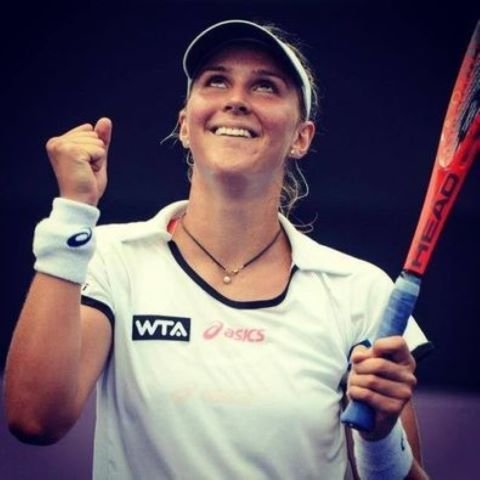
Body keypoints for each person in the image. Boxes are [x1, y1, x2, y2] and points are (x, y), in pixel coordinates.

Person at [4, 19, 431, 479]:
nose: (236, 99)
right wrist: (73, 212)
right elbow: (34, 419)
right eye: (216, 81)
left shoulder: (359, 290)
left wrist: (379, 438)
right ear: (185, 125)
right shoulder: (108, 255)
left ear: (301, 137)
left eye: (265, 86)